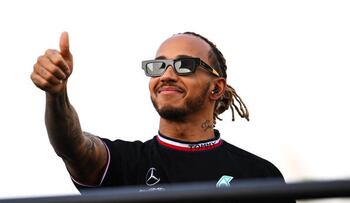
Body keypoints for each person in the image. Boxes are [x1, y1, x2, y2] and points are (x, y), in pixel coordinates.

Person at [30, 32, 289, 194]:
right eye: (159, 66)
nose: (166, 75)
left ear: (216, 87)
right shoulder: (125, 163)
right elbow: (71, 145)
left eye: (184, 65)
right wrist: (56, 94)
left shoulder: (260, 174)